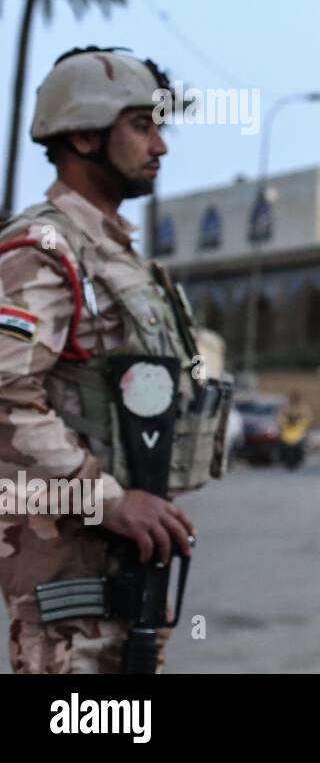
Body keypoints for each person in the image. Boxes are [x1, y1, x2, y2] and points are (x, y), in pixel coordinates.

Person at [0, 47, 229, 673]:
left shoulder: (116, 255)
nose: (161, 146)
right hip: (71, 562)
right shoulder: (41, 247)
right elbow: (5, 399)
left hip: (127, 563)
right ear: (83, 134)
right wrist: (107, 499)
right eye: (141, 125)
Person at [278, 392, 313, 469]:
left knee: (302, 444)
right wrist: (281, 423)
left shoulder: (303, 407)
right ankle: (284, 458)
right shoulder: (286, 407)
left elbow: (308, 418)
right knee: (283, 445)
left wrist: (304, 422)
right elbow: (280, 418)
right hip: (287, 432)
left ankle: (299, 458)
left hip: (298, 432)